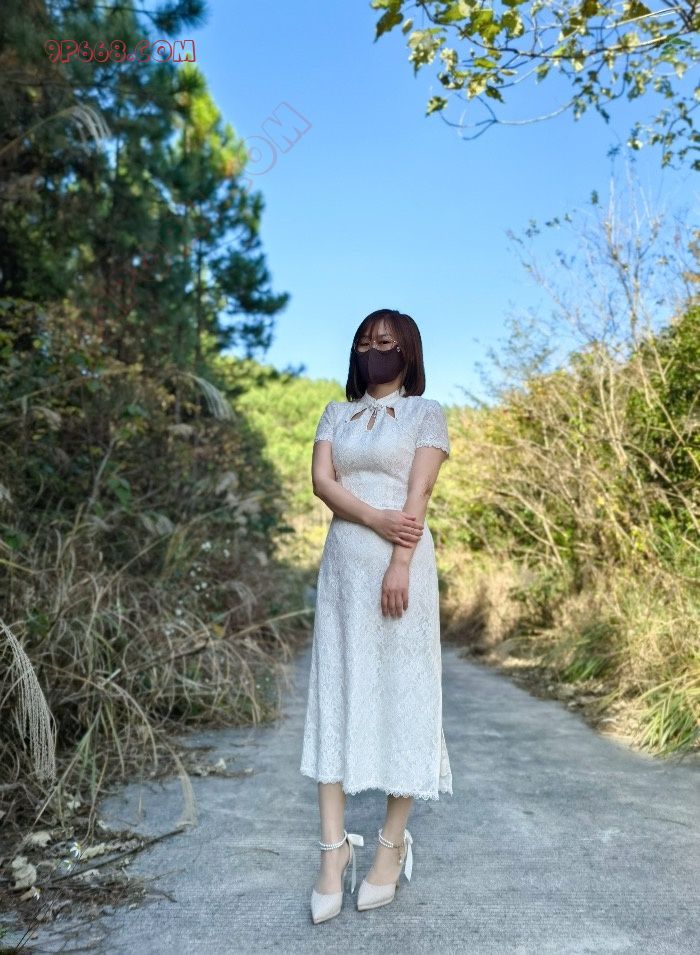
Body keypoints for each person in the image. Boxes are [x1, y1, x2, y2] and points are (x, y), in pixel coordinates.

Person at [299, 309, 453, 924]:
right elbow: (322, 482)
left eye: (386, 342)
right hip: (343, 570)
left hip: (401, 568)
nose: (374, 350)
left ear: (407, 352)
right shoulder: (335, 414)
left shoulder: (426, 413)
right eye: (365, 341)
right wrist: (374, 520)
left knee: (403, 694)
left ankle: (391, 844)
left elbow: (418, 496)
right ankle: (332, 851)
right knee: (337, 691)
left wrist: (400, 561)